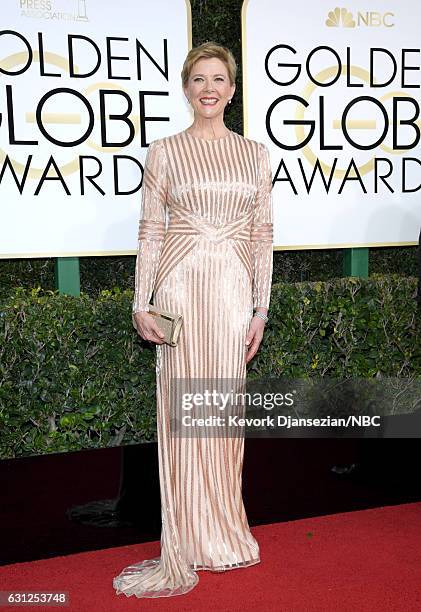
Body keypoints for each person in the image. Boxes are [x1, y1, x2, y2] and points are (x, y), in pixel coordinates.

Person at [113, 41, 274, 598]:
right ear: (185, 88)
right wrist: (140, 302)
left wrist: (261, 309)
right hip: (180, 291)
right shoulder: (164, 152)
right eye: (199, 79)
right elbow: (151, 232)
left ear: (232, 90)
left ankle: (224, 532)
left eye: (219, 80)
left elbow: (261, 235)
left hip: (231, 294)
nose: (209, 88)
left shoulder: (255, 154)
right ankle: (185, 537)